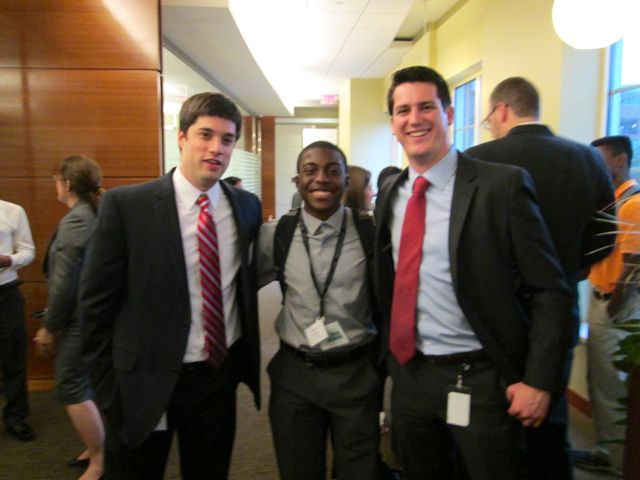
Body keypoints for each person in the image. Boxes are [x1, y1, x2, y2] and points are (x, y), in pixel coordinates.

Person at [373, 65, 573, 480]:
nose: (414, 119)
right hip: (411, 377)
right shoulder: (391, 194)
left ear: (448, 113)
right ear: (392, 123)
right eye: (403, 110)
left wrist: (538, 380)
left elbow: (550, 290)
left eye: (427, 107)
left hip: (481, 379)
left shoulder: (502, 186)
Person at [79, 92, 262, 479]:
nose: (216, 148)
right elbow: (95, 308)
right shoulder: (128, 207)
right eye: (205, 135)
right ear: (181, 137)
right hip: (145, 380)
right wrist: (109, 393)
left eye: (227, 139)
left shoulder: (246, 207)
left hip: (216, 379)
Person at [465, 76, 615, 480]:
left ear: (501, 110)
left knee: (491, 423)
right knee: (550, 420)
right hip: (561, 309)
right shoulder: (588, 159)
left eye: (489, 119)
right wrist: (569, 271)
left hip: (494, 315)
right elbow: (606, 237)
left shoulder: (476, 159)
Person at [257, 141, 382, 480]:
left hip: (355, 374)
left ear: (346, 181)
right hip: (295, 376)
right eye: (310, 171)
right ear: (297, 181)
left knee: (360, 471)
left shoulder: (370, 233)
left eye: (333, 171)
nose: (321, 179)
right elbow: (237, 289)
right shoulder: (276, 235)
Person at [571, 135, 640, 477]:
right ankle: (607, 451)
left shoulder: (633, 204)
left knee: (612, 385)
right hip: (602, 300)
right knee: (600, 381)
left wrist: (613, 308)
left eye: (600, 159)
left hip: (616, 306)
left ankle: (617, 462)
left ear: (620, 160)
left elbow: (634, 265)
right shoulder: (613, 200)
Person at [33, 156, 105, 479]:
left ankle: (100, 459)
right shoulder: (93, 213)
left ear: (68, 184)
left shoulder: (77, 221)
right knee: (87, 382)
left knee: (70, 385)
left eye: (56, 181)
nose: (55, 187)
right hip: (92, 316)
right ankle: (97, 445)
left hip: (79, 319)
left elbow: (65, 284)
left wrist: (49, 328)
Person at [0, 199, 35, 442]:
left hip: (6, 293)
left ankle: (16, 417)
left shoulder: (13, 211)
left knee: (13, 357)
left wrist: (9, 261)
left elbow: (28, 251)